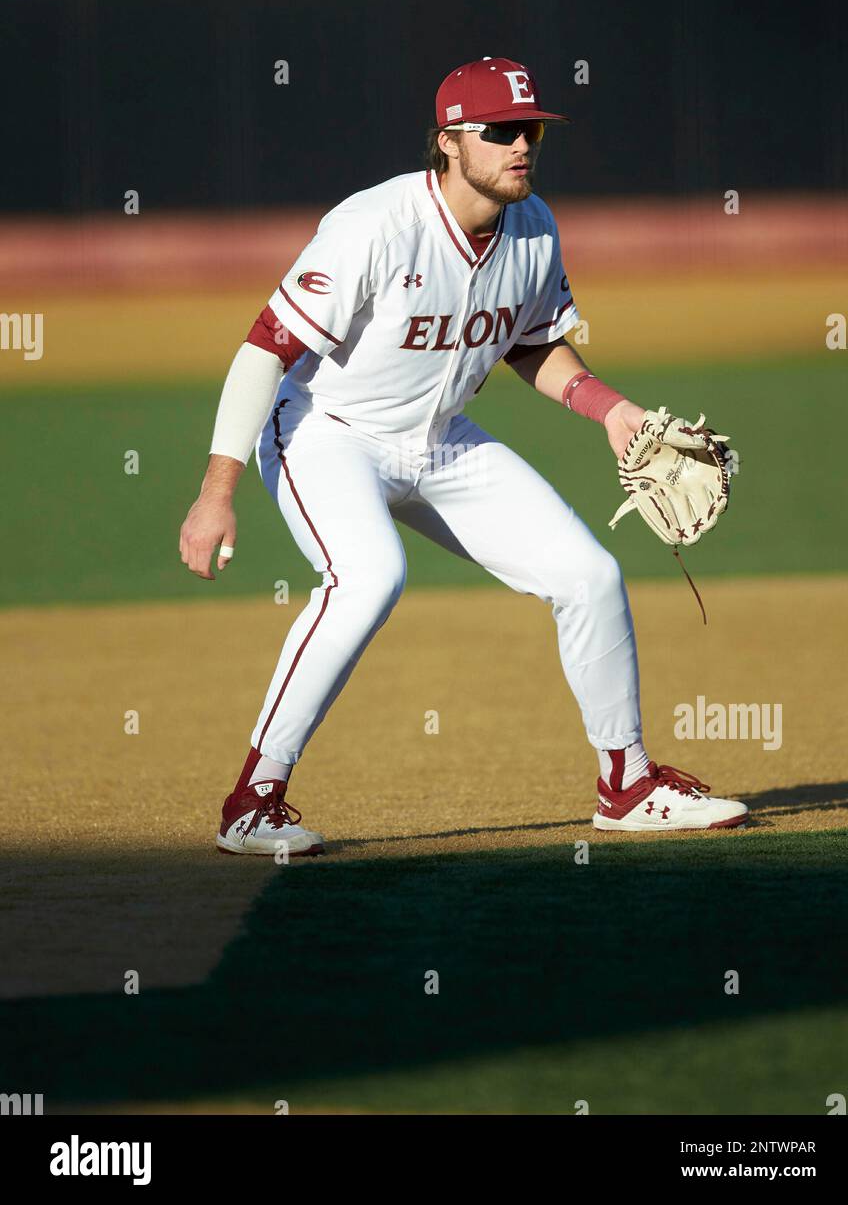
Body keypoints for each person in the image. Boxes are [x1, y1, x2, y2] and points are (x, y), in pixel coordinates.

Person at [179, 56, 748, 855]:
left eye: (532, 130)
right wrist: (216, 493)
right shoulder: (375, 224)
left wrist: (611, 410)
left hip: (441, 441)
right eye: (503, 131)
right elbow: (262, 352)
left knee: (590, 576)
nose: (523, 144)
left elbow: (535, 346)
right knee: (370, 575)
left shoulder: (535, 227)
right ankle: (254, 800)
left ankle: (627, 783)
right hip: (326, 431)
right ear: (448, 141)